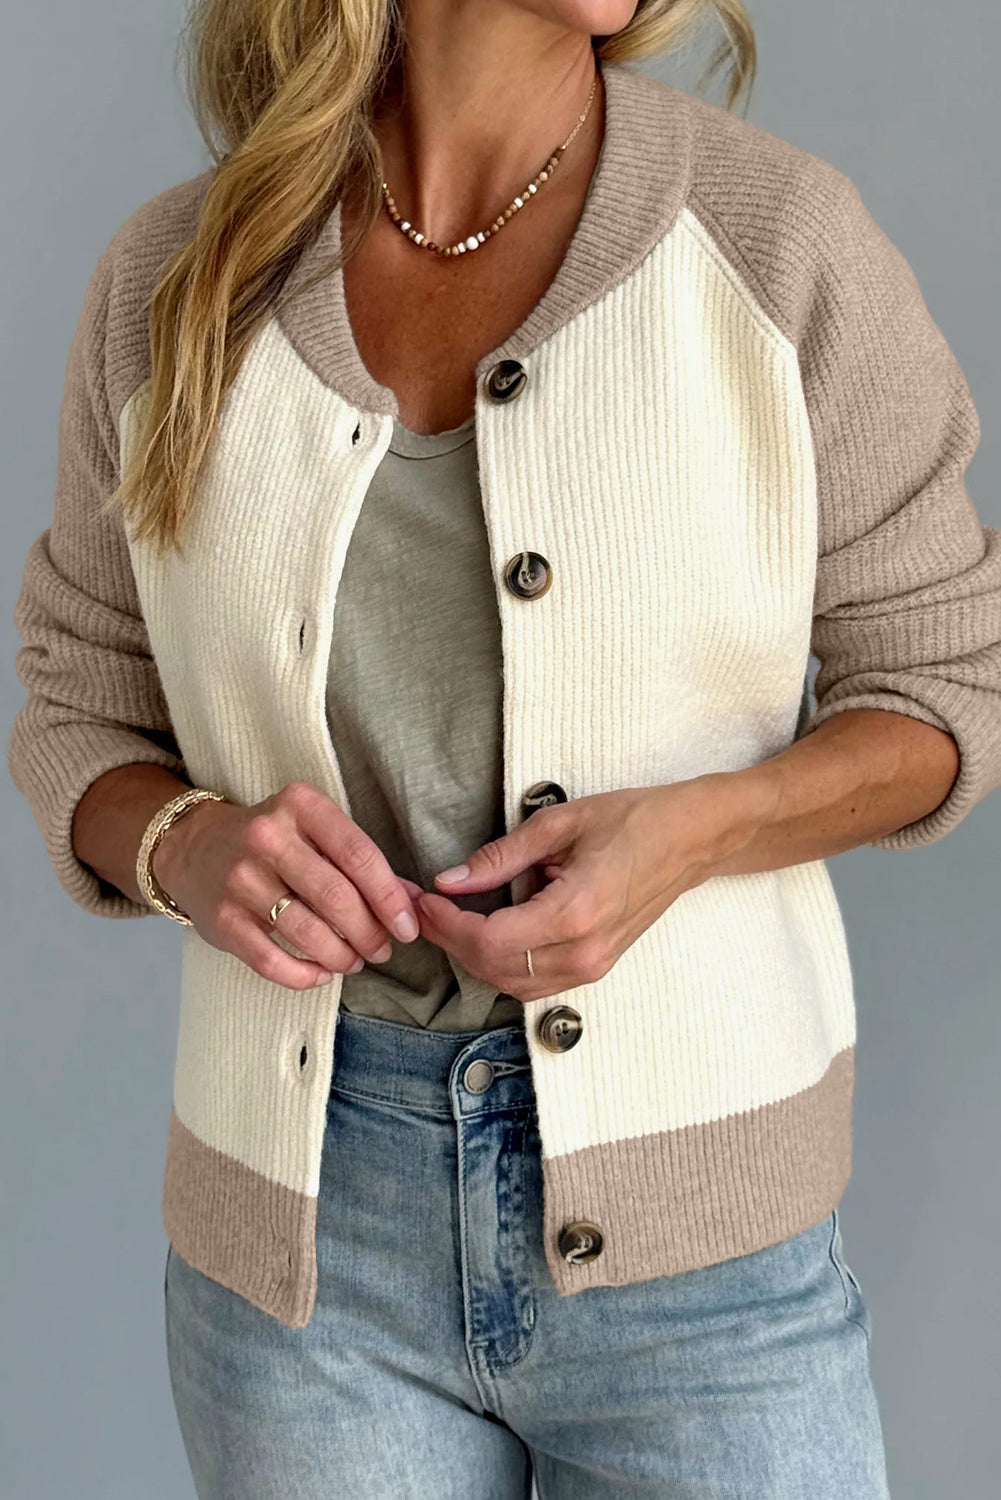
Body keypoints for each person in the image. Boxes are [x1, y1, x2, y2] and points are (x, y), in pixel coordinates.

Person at [9, 1, 1001, 1495]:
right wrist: (184, 844)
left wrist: (699, 833)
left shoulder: (777, 243)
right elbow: (79, 695)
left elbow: (949, 682)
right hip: (302, 1259)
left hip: (702, 1256)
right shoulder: (180, 280)